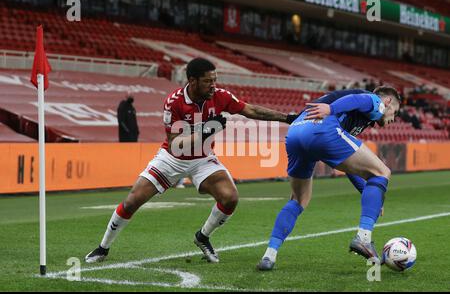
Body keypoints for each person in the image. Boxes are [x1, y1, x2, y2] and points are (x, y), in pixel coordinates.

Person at [85, 58, 298, 263]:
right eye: (208, 81)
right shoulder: (174, 102)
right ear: (192, 81)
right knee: (132, 201)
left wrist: (287, 118)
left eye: (215, 80)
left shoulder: (220, 96)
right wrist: (205, 131)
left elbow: (249, 109)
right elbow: (175, 143)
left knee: (230, 198)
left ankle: (203, 237)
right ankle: (103, 247)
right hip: (172, 159)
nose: (213, 85)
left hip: (203, 159)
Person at [257, 86, 401, 271]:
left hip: (295, 134)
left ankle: (269, 255)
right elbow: (358, 100)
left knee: (299, 199)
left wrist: (369, 192)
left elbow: (350, 167)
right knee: (382, 172)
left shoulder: (353, 118)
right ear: (388, 102)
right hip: (322, 129)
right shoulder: (375, 102)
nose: (393, 119)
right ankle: (363, 238)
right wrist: (331, 109)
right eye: (394, 113)